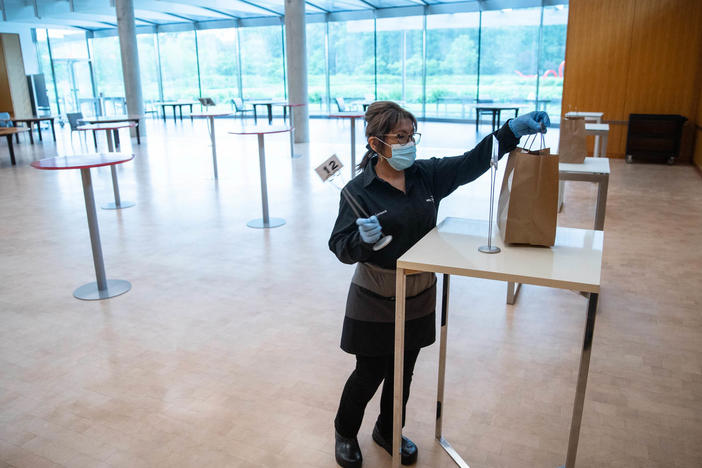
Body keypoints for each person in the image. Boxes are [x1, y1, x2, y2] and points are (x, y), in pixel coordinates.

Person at [328, 101, 549, 468]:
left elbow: (471, 162)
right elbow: (339, 246)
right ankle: (345, 431)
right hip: (375, 294)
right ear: (375, 143)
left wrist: (512, 131)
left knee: (404, 371)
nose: (409, 143)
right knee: (370, 372)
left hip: (418, 293)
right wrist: (360, 241)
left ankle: (387, 430)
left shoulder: (425, 175)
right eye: (401, 136)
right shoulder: (357, 191)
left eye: (412, 135)